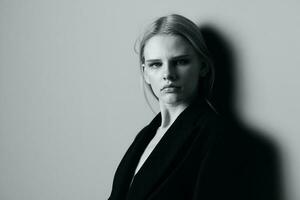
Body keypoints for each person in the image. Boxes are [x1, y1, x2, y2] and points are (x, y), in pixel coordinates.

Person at [108, 14, 280, 200]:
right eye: (156, 64)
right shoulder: (144, 136)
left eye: (181, 61)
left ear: (203, 66)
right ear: (146, 73)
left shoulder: (217, 135)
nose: (168, 74)